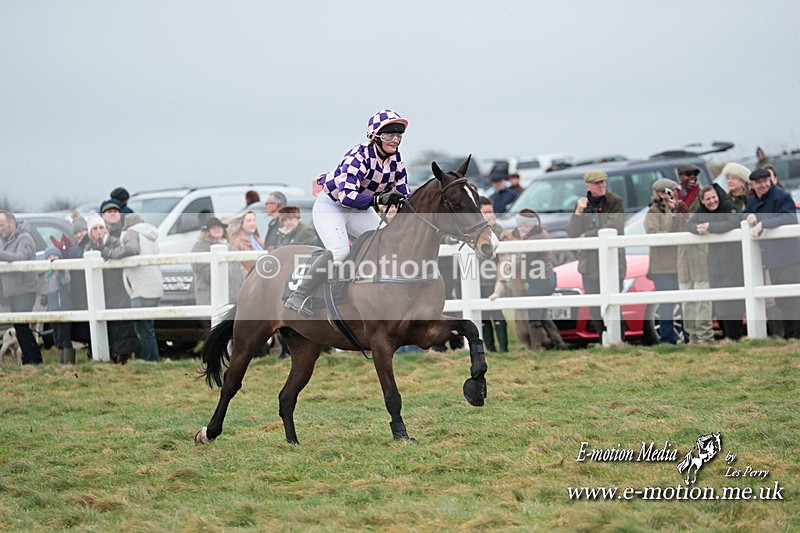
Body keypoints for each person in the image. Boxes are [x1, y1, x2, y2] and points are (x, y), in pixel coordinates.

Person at [284, 108, 410, 317]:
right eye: (389, 135)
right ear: (374, 137)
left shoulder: (396, 159)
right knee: (340, 251)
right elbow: (348, 198)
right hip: (332, 206)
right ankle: (299, 294)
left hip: (358, 209)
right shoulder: (357, 156)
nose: (395, 140)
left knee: (388, 244)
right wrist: (379, 199)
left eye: (398, 136)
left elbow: (404, 190)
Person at [566, 170, 626, 339]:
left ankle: (619, 339)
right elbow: (572, 232)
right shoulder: (583, 205)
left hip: (612, 263)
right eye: (597, 183)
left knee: (614, 304)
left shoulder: (615, 202)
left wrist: (587, 235)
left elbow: (613, 227)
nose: (602, 186)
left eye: (603, 182)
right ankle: (603, 338)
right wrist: (578, 212)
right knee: (594, 306)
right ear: (588, 186)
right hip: (589, 264)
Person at [744, 168, 800, 339]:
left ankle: (796, 337)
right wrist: (748, 216)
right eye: (759, 182)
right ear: (752, 185)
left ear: (770, 180)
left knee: (793, 300)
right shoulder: (753, 199)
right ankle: (789, 337)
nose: (763, 185)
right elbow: (745, 213)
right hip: (773, 258)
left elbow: (790, 218)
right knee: (781, 300)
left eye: (765, 181)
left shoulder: (780, 196)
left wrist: (762, 223)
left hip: (789, 257)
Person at [688, 184, 745, 340]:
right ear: (702, 201)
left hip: (733, 261)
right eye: (708, 199)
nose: (712, 201)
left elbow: (734, 222)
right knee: (719, 301)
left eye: (714, 197)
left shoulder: (727, 205)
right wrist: (698, 229)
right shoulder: (702, 211)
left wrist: (710, 227)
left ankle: (735, 337)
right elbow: (690, 224)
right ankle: (727, 338)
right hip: (715, 262)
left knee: (733, 302)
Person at [500, 209, 561, 350]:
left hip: (540, 280)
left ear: (530, 225)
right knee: (543, 314)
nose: (520, 228)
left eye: (523, 225)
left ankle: (535, 348)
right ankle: (559, 343)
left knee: (534, 316)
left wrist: (508, 269)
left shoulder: (534, 239)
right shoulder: (542, 233)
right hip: (548, 278)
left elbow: (524, 261)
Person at [85, 211, 139, 364]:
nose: (98, 232)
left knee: (121, 325)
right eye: (94, 229)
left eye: (101, 228)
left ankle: (124, 358)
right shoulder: (89, 248)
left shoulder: (115, 243)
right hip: (102, 291)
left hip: (118, 288)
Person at [673, 164, 714, 344]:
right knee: (686, 295)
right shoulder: (673, 197)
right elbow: (668, 228)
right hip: (682, 253)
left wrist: (686, 213)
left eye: (695, 175)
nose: (692, 178)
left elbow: (702, 221)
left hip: (700, 251)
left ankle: (705, 336)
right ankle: (691, 336)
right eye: (688, 175)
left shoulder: (702, 196)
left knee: (703, 294)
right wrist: (673, 211)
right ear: (680, 176)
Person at [644, 178, 684, 344]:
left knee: (683, 303)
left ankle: (687, 336)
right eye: (667, 192)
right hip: (662, 267)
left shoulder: (680, 209)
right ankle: (667, 339)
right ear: (659, 194)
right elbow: (655, 235)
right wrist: (671, 215)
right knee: (666, 304)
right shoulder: (653, 212)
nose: (670, 195)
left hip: (680, 263)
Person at [0, 210, 43, 364]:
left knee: (22, 326)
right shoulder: (5, 239)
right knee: (20, 326)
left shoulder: (25, 238)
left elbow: (19, 258)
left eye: (2, 225)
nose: (0, 228)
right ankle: (30, 359)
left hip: (25, 289)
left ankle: (35, 359)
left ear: (12, 223)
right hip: (13, 290)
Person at [121, 213, 163, 362]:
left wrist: (114, 254)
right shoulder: (150, 235)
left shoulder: (131, 233)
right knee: (148, 328)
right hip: (155, 286)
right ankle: (153, 358)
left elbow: (132, 250)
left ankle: (151, 360)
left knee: (142, 329)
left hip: (141, 287)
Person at [191, 217, 244, 306]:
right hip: (210, 298)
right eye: (213, 228)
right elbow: (207, 272)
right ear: (207, 231)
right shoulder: (200, 247)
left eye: (219, 227)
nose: (217, 230)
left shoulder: (229, 246)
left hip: (233, 297)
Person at [477, 197, 507, 352]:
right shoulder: (475, 231)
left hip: (492, 277)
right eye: (485, 212)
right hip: (477, 278)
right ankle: (490, 347)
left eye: (491, 211)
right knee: (483, 314)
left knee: (496, 311)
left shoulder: (497, 229)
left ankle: (503, 347)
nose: (489, 215)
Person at [43, 246, 75, 363]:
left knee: (64, 335)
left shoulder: (63, 270)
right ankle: (61, 359)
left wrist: (60, 270)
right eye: (50, 257)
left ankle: (68, 360)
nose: (52, 259)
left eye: (55, 256)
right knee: (56, 335)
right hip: (53, 308)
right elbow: (45, 288)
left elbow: (66, 280)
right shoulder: (47, 274)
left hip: (64, 306)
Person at [226, 210, 264, 278]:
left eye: (254, 220)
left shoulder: (258, 240)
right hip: (250, 279)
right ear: (242, 224)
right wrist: (248, 277)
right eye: (249, 221)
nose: (252, 223)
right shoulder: (237, 242)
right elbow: (237, 264)